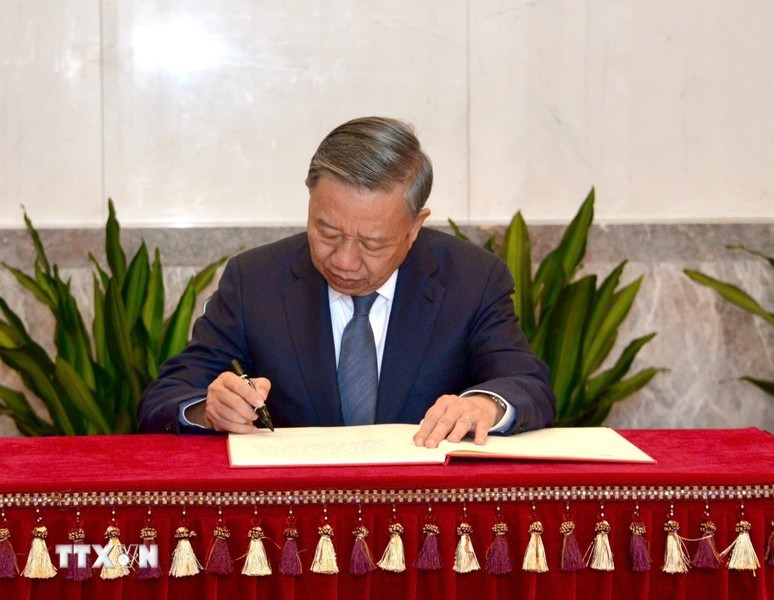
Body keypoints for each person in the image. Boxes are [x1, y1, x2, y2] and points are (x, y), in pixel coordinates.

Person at [138, 116, 555, 447]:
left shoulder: (471, 280)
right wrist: (209, 408)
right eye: (328, 233)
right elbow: (165, 397)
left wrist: (484, 406)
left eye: (372, 243)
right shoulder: (256, 281)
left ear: (414, 227)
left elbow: (527, 384)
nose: (344, 260)